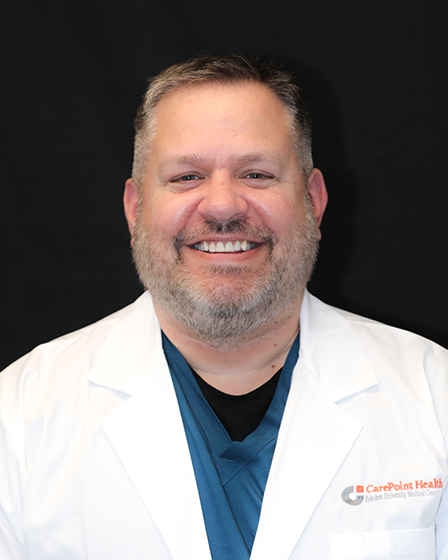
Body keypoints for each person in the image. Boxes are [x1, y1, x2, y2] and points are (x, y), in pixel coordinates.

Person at [0, 54, 447, 560]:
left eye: (256, 174)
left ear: (314, 201)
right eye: (186, 177)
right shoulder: (20, 415)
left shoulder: (434, 397)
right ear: (135, 209)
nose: (222, 206)